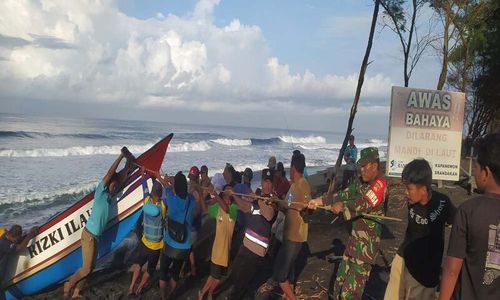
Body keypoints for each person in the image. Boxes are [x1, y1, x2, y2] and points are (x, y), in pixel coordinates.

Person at [64, 147, 134, 298]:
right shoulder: (101, 192)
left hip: (96, 237)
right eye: (112, 184)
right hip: (89, 235)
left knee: (91, 266)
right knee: (87, 268)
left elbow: (121, 178)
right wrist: (121, 156)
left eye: (115, 185)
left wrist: (129, 166)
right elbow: (110, 174)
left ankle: (77, 292)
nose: (114, 186)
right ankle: (69, 284)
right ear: (108, 184)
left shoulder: (109, 196)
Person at [439, 134, 500, 300]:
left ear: (486, 173)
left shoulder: (468, 211)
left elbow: (452, 268)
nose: (474, 171)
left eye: (476, 167)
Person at [384, 159, 455, 300]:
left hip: (425, 272)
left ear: (423, 189)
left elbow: (459, 225)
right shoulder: (411, 201)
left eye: (409, 189)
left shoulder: (443, 203)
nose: (405, 193)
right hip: (403, 257)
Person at [259, 150, 311, 300]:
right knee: (286, 270)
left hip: (294, 236)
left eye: (290, 167)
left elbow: (297, 206)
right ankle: (288, 295)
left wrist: (276, 201)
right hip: (292, 235)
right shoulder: (299, 185)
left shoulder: (299, 186)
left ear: (293, 168)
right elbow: (290, 206)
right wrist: (277, 202)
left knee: (281, 275)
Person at [227, 168, 277, 299]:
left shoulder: (274, 200)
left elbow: (269, 215)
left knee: (242, 286)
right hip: (245, 246)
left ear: (273, 185)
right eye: (264, 182)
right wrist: (234, 195)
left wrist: (258, 199)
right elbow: (245, 207)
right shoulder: (258, 199)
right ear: (261, 182)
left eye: (269, 182)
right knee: (235, 276)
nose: (266, 185)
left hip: (256, 252)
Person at [157, 171, 197, 300]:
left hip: (170, 243)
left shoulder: (171, 198)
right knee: (175, 273)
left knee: (163, 273)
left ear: (175, 188)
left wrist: (163, 178)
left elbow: (166, 185)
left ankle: (164, 297)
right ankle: (170, 294)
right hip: (184, 246)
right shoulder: (191, 199)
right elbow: (178, 186)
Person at [198, 184, 238, 300]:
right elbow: (205, 210)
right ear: (223, 194)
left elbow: (226, 208)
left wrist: (215, 194)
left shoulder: (234, 208)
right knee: (214, 276)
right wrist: (202, 196)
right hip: (217, 249)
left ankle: (209, 293)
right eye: (226, 192)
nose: (228, 194)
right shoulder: (217, 207)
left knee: (218, 277)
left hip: (226, 250)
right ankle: (203, 293)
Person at [128, 179, 166, 296]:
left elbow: (144, 189)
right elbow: (168, 195)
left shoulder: (146, 201)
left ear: (152, 193)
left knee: (139, 264)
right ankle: (140, 288)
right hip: (156, 247)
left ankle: (131, 287)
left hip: (144, 243)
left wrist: (144, 176)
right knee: (150, 270)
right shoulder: (163, 207)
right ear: (160, 194)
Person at [1, 225, 39, 300]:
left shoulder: (8, 237)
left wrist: (29, 234)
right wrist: (31, 234)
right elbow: (20, 248)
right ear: (13, 235)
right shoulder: (3, 243)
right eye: (17, 238)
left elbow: (19, 240)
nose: (17, 240)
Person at [187, 165, 207, 277]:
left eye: (192, 178)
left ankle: (192, 268)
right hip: (195, 224)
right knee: (190, 248)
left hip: (193, 225)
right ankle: (192, 267)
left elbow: (200, 208)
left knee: (188, 248)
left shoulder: (195, 190)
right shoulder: (195, 188)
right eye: (190, 178)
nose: (190, 180)